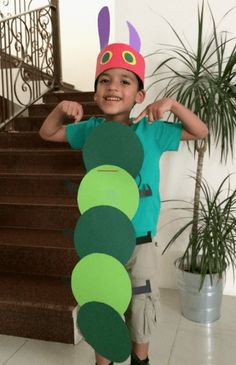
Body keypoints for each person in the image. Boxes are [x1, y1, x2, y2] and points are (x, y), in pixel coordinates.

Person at [39, 42, 208, 365]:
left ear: (139, 96)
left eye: (125, 81)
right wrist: (60, 110)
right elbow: (48, 134)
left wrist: (172, 104)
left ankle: (140, 359)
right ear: (95, 91)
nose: (113, 86)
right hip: (101, 240)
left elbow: (200, 131)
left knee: (142, 304)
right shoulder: (90, 129)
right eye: (105, 80)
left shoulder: (152, 131)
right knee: (104, 302)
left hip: (141, 241)